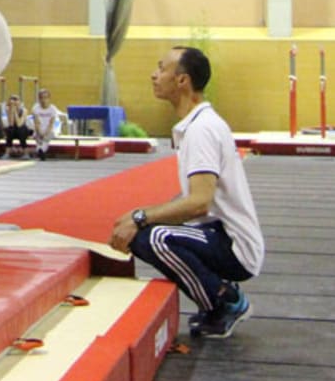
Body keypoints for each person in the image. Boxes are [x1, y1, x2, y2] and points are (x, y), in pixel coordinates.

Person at [110, 46, 264, 339]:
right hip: (216, 234)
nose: (154, 75)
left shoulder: (201, 129)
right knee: (145, 228)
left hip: (233, 245)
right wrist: (139, 216)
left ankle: (224, 302)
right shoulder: (197, 124)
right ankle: (220, 296)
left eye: (162, 68)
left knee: (150, 236)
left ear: (182, 81)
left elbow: (199, 203)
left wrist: (140, 217)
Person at [30, 88, 62, 160]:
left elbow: (51, 124)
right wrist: (40, 132)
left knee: (46, 139)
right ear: (39, 99)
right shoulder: (35, 108)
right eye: (41, 98)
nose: (43, 100)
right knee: (38, 138)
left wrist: (45, 133)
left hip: (49, 129)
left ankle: (40, 150)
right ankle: (41, 151)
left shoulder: (53, 109)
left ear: (49, 99)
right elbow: (36, 123)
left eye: (45, 98)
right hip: (39, 129)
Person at [3, 93, 30, 157]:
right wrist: (12, 110)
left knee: (21, 130)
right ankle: (7, 153)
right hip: (13, 130)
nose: (14, 102)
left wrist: (15, 111)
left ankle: (26, 153)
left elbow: (19, 124)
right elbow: (11, 123)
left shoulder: (24, 110)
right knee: (10, 129)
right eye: (12, 99)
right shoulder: (8, 110)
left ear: (20, 102)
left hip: (22, 130)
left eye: (16, 99)